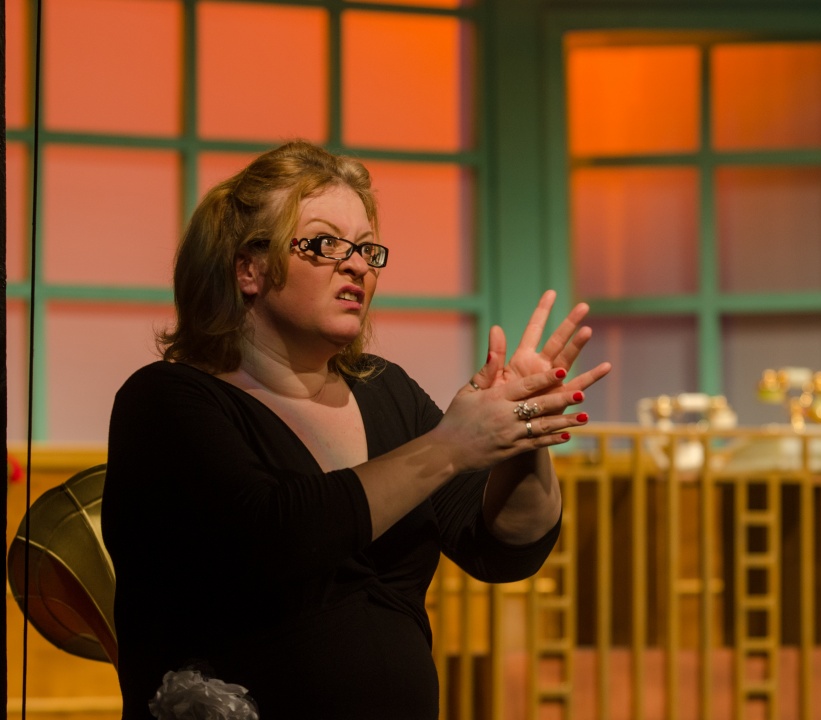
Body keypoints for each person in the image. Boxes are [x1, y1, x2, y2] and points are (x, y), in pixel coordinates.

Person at [101, 140, 611, 720]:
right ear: (249, 269)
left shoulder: (385, 390)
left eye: (367, 249)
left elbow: (503, 550)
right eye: (325, 244)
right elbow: (272, 538)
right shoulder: (166, 401)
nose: (358, 265)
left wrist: (523, 431)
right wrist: (449, 447)